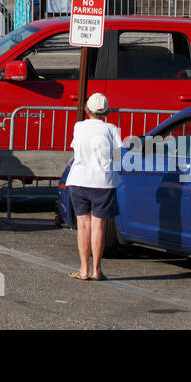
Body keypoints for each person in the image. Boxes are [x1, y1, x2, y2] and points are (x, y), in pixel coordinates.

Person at [64, 92, 123, 281]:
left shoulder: (78, 127)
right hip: (102, 181)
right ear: (107, 112)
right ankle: (97, 270)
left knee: (83, 225)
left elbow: (75, 148)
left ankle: (83, 269)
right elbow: (118, 157)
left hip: (79, 179)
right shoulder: (112, 129)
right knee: (99, 225)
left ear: (87, 110)